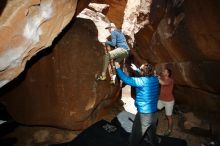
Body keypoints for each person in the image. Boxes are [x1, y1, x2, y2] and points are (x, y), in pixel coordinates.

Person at [115, 62, 159, 146]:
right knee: (152, 135)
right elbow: (146, 74)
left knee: (134, 138)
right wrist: (136, 69)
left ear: (143, 72)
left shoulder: (140, 81)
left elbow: (126, 79)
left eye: (140, 69)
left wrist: (118, 68)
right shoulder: (155, 79)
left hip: (144, 116)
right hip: (154, 114)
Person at [157, 68, 174, 136]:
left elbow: (163, 83)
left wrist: (157, 78)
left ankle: (169, 130)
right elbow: (156, 76)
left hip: (169, 101)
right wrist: (155, 74)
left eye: (164, 71)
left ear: (168, 73)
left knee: (169, 116)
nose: (163, 71)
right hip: (161, 99)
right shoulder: (162, 77)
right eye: (163, 71)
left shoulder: (170, 80)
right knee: (154, 109)